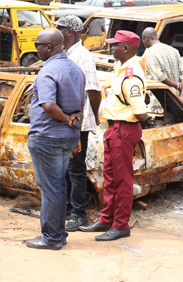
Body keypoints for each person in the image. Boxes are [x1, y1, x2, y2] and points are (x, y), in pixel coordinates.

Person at [80, 30, 149, 241]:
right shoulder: (122, 68)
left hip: (124, 129)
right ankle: (106, 219)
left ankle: (120, 225)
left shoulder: (131, 75)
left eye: (115, 45)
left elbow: (140, 112)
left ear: (126, 49)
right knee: (109, 179)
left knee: (122, 180)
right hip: (115, 129)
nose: (112, 48)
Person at [25, 28, 85, 250]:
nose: (36, 49)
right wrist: (75, 132)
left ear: (49, 47)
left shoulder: (47, 71)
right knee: (58, 186)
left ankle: (52, 238)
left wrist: (67, 122)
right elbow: (80, 108)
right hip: (66, 138)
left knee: (52, 188)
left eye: (38, 45)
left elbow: (49, 106)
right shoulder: (75, 69)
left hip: (47, 137)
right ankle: (58, 233)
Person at [54, 15, 102, 232]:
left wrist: (95, 116)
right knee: (64, 167)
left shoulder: (82, 56)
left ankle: (79, 214)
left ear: (70, 32)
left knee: (75, 168)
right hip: (65, 121)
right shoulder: (65, 54)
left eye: (60, 28)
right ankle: (65, 209)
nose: (56, 32)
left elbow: (93, 90)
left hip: (78, 123)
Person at [141, 27, 183, 100]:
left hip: (159, 101)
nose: (144, 44)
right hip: (176, 100)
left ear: (146, 39)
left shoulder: (150, 52)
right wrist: (182, 96)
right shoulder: (173, 50)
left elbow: (160, 76)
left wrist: (176, 85)